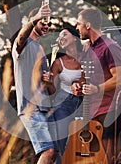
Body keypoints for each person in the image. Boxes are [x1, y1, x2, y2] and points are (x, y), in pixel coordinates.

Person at [72, 8, 121, 164]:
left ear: (88, 25)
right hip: (91, 111)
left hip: (107, 110)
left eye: (78, 24)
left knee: (108, 157)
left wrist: (97, 89)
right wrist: (79, 86)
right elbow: (88, 77)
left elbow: (119, 79)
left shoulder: (110, 47)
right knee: (94, 158)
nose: (76, 27)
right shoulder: (88, 47)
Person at [11, 1, 58, 164]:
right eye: (42, 22)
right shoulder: (22, 45)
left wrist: (49, 82)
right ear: (33, 22)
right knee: (48, 150)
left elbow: (51, 90)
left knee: (54, 154)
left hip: (46, 108)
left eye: (48, 23)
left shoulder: (40, 49)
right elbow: (21, 36)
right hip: (30, 109)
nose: (46, 26)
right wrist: (36, 17)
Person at [42, 27, 84, 162]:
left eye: (65, 34)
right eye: (59, 37)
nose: (61, 38)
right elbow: (52, 92)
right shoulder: (57, 63)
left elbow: (93, 75)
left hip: (86, 101)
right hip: (63, 103)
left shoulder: (88, 57)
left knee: (84, 138)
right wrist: (48, 83)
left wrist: (80, 82)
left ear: (75, 38)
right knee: (62, 141)